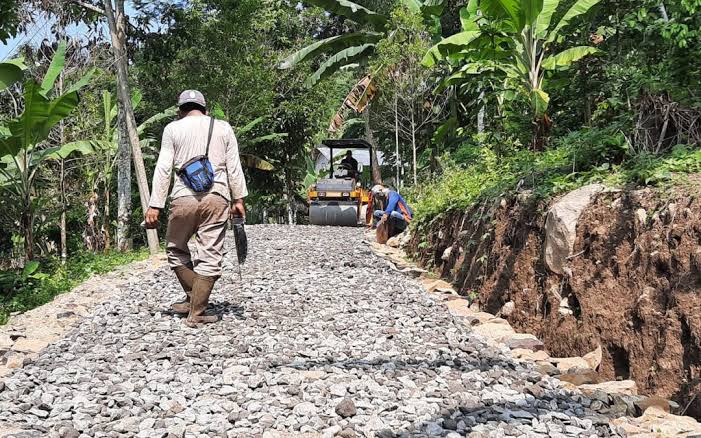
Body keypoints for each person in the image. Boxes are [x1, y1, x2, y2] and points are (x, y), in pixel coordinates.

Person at [144, 90, 248, 328]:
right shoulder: (223, 128)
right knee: (210, 254)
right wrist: (239, 199)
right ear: (205, 109)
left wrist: (154, 205)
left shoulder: (173, 129)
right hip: (217, 196)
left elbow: (163, 168)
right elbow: (234, 166)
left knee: (175, 248)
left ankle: (194, 301)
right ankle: (197, 307)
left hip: (182, 197)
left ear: (180, 110)